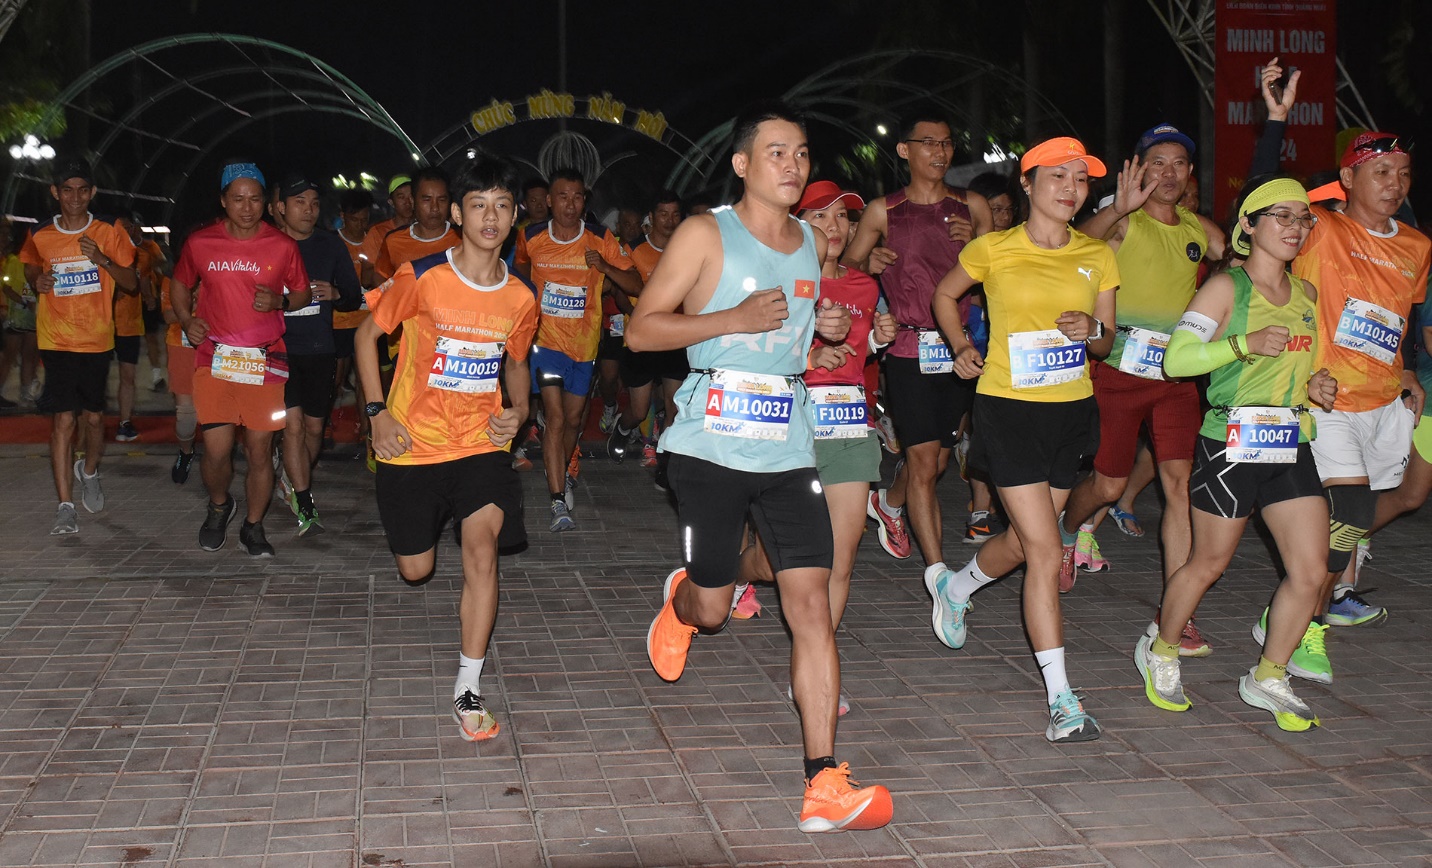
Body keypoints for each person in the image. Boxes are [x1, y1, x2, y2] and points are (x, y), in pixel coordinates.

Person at [628, 101, 891, 833]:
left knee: (811, 602)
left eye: (801, 154)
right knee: (713, 611)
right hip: (710, 446)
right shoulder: (706, 232)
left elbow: (792, 343)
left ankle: (824, 783)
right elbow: (644, 328)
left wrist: (822, 336)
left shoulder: (810, 241)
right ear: (743, 164)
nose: (792, 166)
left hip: (787, 444)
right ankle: (685, 598)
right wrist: (729, 321)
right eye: (777, 153)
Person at [929, 137, 1117, 743]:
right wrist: (962, 346)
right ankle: (1063, 699)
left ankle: (956, 588)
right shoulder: (994, 249)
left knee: (1022, 540)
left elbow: (1105, 343)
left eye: (1080, 179)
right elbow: (943, 295)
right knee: (1044, 550)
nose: (1070, 188)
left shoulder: (1098, 256)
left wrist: (1093, 329)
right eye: (1056, 177)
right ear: (1028, 186)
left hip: (1070, 413)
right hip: (1008, 409)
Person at [1135, 175, 1333, 732]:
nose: (1295, 228)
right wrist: (1243, 343)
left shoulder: (1306, 296)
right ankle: (1162, 651)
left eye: (1303, 219)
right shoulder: (1225, 288)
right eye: (1282, 217)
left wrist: (1316, 386)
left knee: (1312, 570)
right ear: (1248, 225)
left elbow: (1301, 368)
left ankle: (1269, 674)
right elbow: (1177, 360)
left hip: (1290, 442)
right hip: (1231, 445)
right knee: (1208, 564)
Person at [355, 152, 537, 743]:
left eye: (502, 206)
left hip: (480, 446)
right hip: (410, 442)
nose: (490, 217)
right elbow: (365, 335)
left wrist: (521, 413)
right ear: (459, 213)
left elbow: (515, 364)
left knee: (481, 551)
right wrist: (377, 413)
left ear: (514, 217)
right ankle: (420, 531)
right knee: (417, 569)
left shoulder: (520, 297)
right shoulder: (424, 276)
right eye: (479, 205)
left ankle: (468, 689)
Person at [1055, 125, 1227, 659]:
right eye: (1158, 162)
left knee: (1179, 489)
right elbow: (1074, 241)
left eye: (1179, 163)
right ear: (1139, 169)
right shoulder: (1121, 224)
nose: (1169, 173)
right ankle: (1066, 528)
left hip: (1174, 379)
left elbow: (1247, 244)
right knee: (1107, 487)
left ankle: (1179, 611)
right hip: (1117, 369)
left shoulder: (1202, 231)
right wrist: (1117, 208)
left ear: (1190, 174)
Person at [732, 180, 899, 716]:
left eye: (843, 218)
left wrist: (875, 341)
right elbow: (751, 351)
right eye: (820, 217)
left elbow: (859, 354)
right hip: (786, 425)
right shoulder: (783, 281)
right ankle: (731, 573)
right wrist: (808, 363)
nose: (834, 227)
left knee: (840, 559)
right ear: (798, 223)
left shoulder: (865, 287)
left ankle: (814, 672)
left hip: (849, 424)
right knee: (782, 558)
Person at [1275, 131, 1430, 683]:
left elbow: (1400, 318)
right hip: (1326, 395)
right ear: (1347, 178)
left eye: (1404, 173)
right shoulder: (1321, 228)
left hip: (1384, 399)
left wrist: (1409, 369)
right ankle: (1308, 629)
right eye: (1381, 171)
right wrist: (1278, 124)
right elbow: (1266, 198)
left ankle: (1288, 612)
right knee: (1353, 513)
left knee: (1352, 519)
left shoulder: (1417, 245)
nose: (1395, 184)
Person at [843, 113, 992, 572]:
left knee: (939, 461)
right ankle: (940, 575)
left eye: (947, 143)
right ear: (904, 150)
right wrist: (869, 260)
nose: (940, 152)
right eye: (928, 143)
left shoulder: (974, 206)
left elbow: (1004, 275)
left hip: (959, 352)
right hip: (907, 350)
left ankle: (888, 502)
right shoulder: (881, 210)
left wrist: (981, 243)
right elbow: (844, 270)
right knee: (925, 465)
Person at [170, 160, 311, 556]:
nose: (246, 207)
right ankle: (219, 506)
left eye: (254, 199)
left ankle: (253, 526)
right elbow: (179, 284)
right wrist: (187, 319)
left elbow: (302, 294)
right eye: (237, 199)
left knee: (259, 450)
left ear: (266, 203)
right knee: (215, 449)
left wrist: (280, 300)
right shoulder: (201, 243)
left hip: (266, 363)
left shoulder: (283, 246)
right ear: (223, 200)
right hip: (215, 359)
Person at [513, 168, 642, 532]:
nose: (570, 205)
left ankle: (565, 469)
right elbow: (521, 269)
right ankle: (557, 502)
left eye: (577, 197)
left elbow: (637, 283)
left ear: (585, 202)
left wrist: (604, 267)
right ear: (550, 201)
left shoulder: (601, 238)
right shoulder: (531, 236)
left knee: (573, 420)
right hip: (544, 343)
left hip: (584, 346)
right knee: (554, 418)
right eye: (563, 197)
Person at [19, 160, 138, 535]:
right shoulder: (39, 233)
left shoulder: (109, 231)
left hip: (97, 340)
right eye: (66, 190)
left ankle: (89, 471)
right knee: (64, 420)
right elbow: (29, 265)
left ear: (92, 193)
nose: (74, 197)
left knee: (91, 420)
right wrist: (37, 279)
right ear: (55, 193)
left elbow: (132, 282)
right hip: (56, 339)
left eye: (82, 190)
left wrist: (100, 259)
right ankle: (65, 507)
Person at [275, 174, 362, 535]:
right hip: (278, 351)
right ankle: (305, 499)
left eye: (313, 203)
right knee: (293, 427)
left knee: (313, 430)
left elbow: (354, 296)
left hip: (319, 350)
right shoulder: (267, 245)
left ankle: (291, 477)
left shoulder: (330, 246)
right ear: (281, 208)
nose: (308, 210)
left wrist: (335, 291)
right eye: (299, 202)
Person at [609, 189, 685, 470]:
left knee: (673, 406)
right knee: (639, 410)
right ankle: (623, 428)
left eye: (675, 214)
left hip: (677, 337)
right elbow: (619, 294)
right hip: (641, 339)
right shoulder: (634, 249)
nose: (669, 220)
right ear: (651, 218)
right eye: (663, 214)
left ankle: (664, 459)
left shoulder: (688, 247)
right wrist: (638, 317)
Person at [110, 216, 151, 442]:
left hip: (130, 325)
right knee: (98, 376)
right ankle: (89, 422)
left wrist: (150, 298)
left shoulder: (141, 256)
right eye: (119, 228)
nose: (123, 232)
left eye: (127, 228)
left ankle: (124, 422)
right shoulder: (102, 256)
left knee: (128, 376)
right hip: (102, 325)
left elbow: (142, 283)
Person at [159, 272, 197, 483]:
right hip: (181, 346)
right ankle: (186, 452)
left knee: (218, 413)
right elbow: (168, 315)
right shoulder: (171, 279)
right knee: (186, 416)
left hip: (219, 348)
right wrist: (194, 303)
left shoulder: (221, 270)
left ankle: (218, 457)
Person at [0, 219, 39, 407]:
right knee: (9, 356)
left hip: (32, 316)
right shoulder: (14, 262)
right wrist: (24, 302)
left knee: (30, 355)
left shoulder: (39, 263)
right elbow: (6, 287)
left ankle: (27, 394)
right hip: (17, 316)